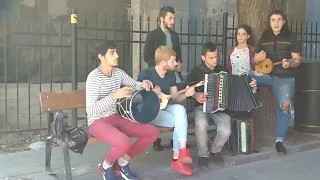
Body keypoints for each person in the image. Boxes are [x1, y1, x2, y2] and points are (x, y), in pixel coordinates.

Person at [85, 41, 159, 180]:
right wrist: (114, 96)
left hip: (117, 118)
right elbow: (91, 110)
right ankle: (106, 166)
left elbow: (135, 85)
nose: (117, 55)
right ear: (101, 56)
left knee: (152, 132)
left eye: (116, 52)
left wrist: (144, 84)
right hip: (97, 122)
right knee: (123, 141)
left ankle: (122, 163)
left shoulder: (118, 73)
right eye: (112, 52)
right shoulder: (94, 77)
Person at [186, 42, 257, 169]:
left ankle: (215, 151)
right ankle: (203, 155)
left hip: (220, 109)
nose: (215, 60)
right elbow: (187, 89)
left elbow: (234, 87)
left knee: (226, 130)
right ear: (203, 57)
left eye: (216, 57)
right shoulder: (196, 71)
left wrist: (251, 84)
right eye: (211, 58)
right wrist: (195, 95)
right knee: (201, 125)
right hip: (201, 108)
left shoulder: (223, 70)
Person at [137, 46, 195, 176]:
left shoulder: (170, 76)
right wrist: (152, 92)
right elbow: (137, 97)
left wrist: (186, 94)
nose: (176, 63)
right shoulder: (146, 73)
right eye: (173, 60)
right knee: (181, 120)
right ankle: (177, 159)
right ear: (163, 63)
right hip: (150, 112)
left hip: (165, 108)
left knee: (180, 109)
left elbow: (174, 98)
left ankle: (181, 151)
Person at [251, 10, 301, 154]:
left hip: (285, 77)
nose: (276, 23)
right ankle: (253, 90)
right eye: (273, 20)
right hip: (266, 74)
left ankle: (279, 141)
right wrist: (256, 59)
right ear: (270, 22)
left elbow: (296, 61)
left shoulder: (291, 37)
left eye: (279, 20)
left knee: (284, 107)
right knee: (246, 75)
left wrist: (289, 64)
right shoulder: (264, 37)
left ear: (284, 22)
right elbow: (255, 60)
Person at [144, 5, 183, 82]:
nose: (173, 21)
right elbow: (147, 57)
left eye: (173, 19)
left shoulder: (175, 36)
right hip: (157, 75)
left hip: (173, 74)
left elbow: (178, 54)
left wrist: (179, 63)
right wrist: (163, 65)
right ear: (162, 19)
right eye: (170, 18)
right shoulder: (152, 35)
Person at [226, 24, 257, 117]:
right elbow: (229, 68)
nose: (240, 36)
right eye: (238, 34)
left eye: (243, 34)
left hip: (248, 83)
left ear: (248, 36)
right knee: (235, 110)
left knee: (246, 111)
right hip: (235, 84)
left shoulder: (251, 50)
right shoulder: (231, 51)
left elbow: (255, 67)